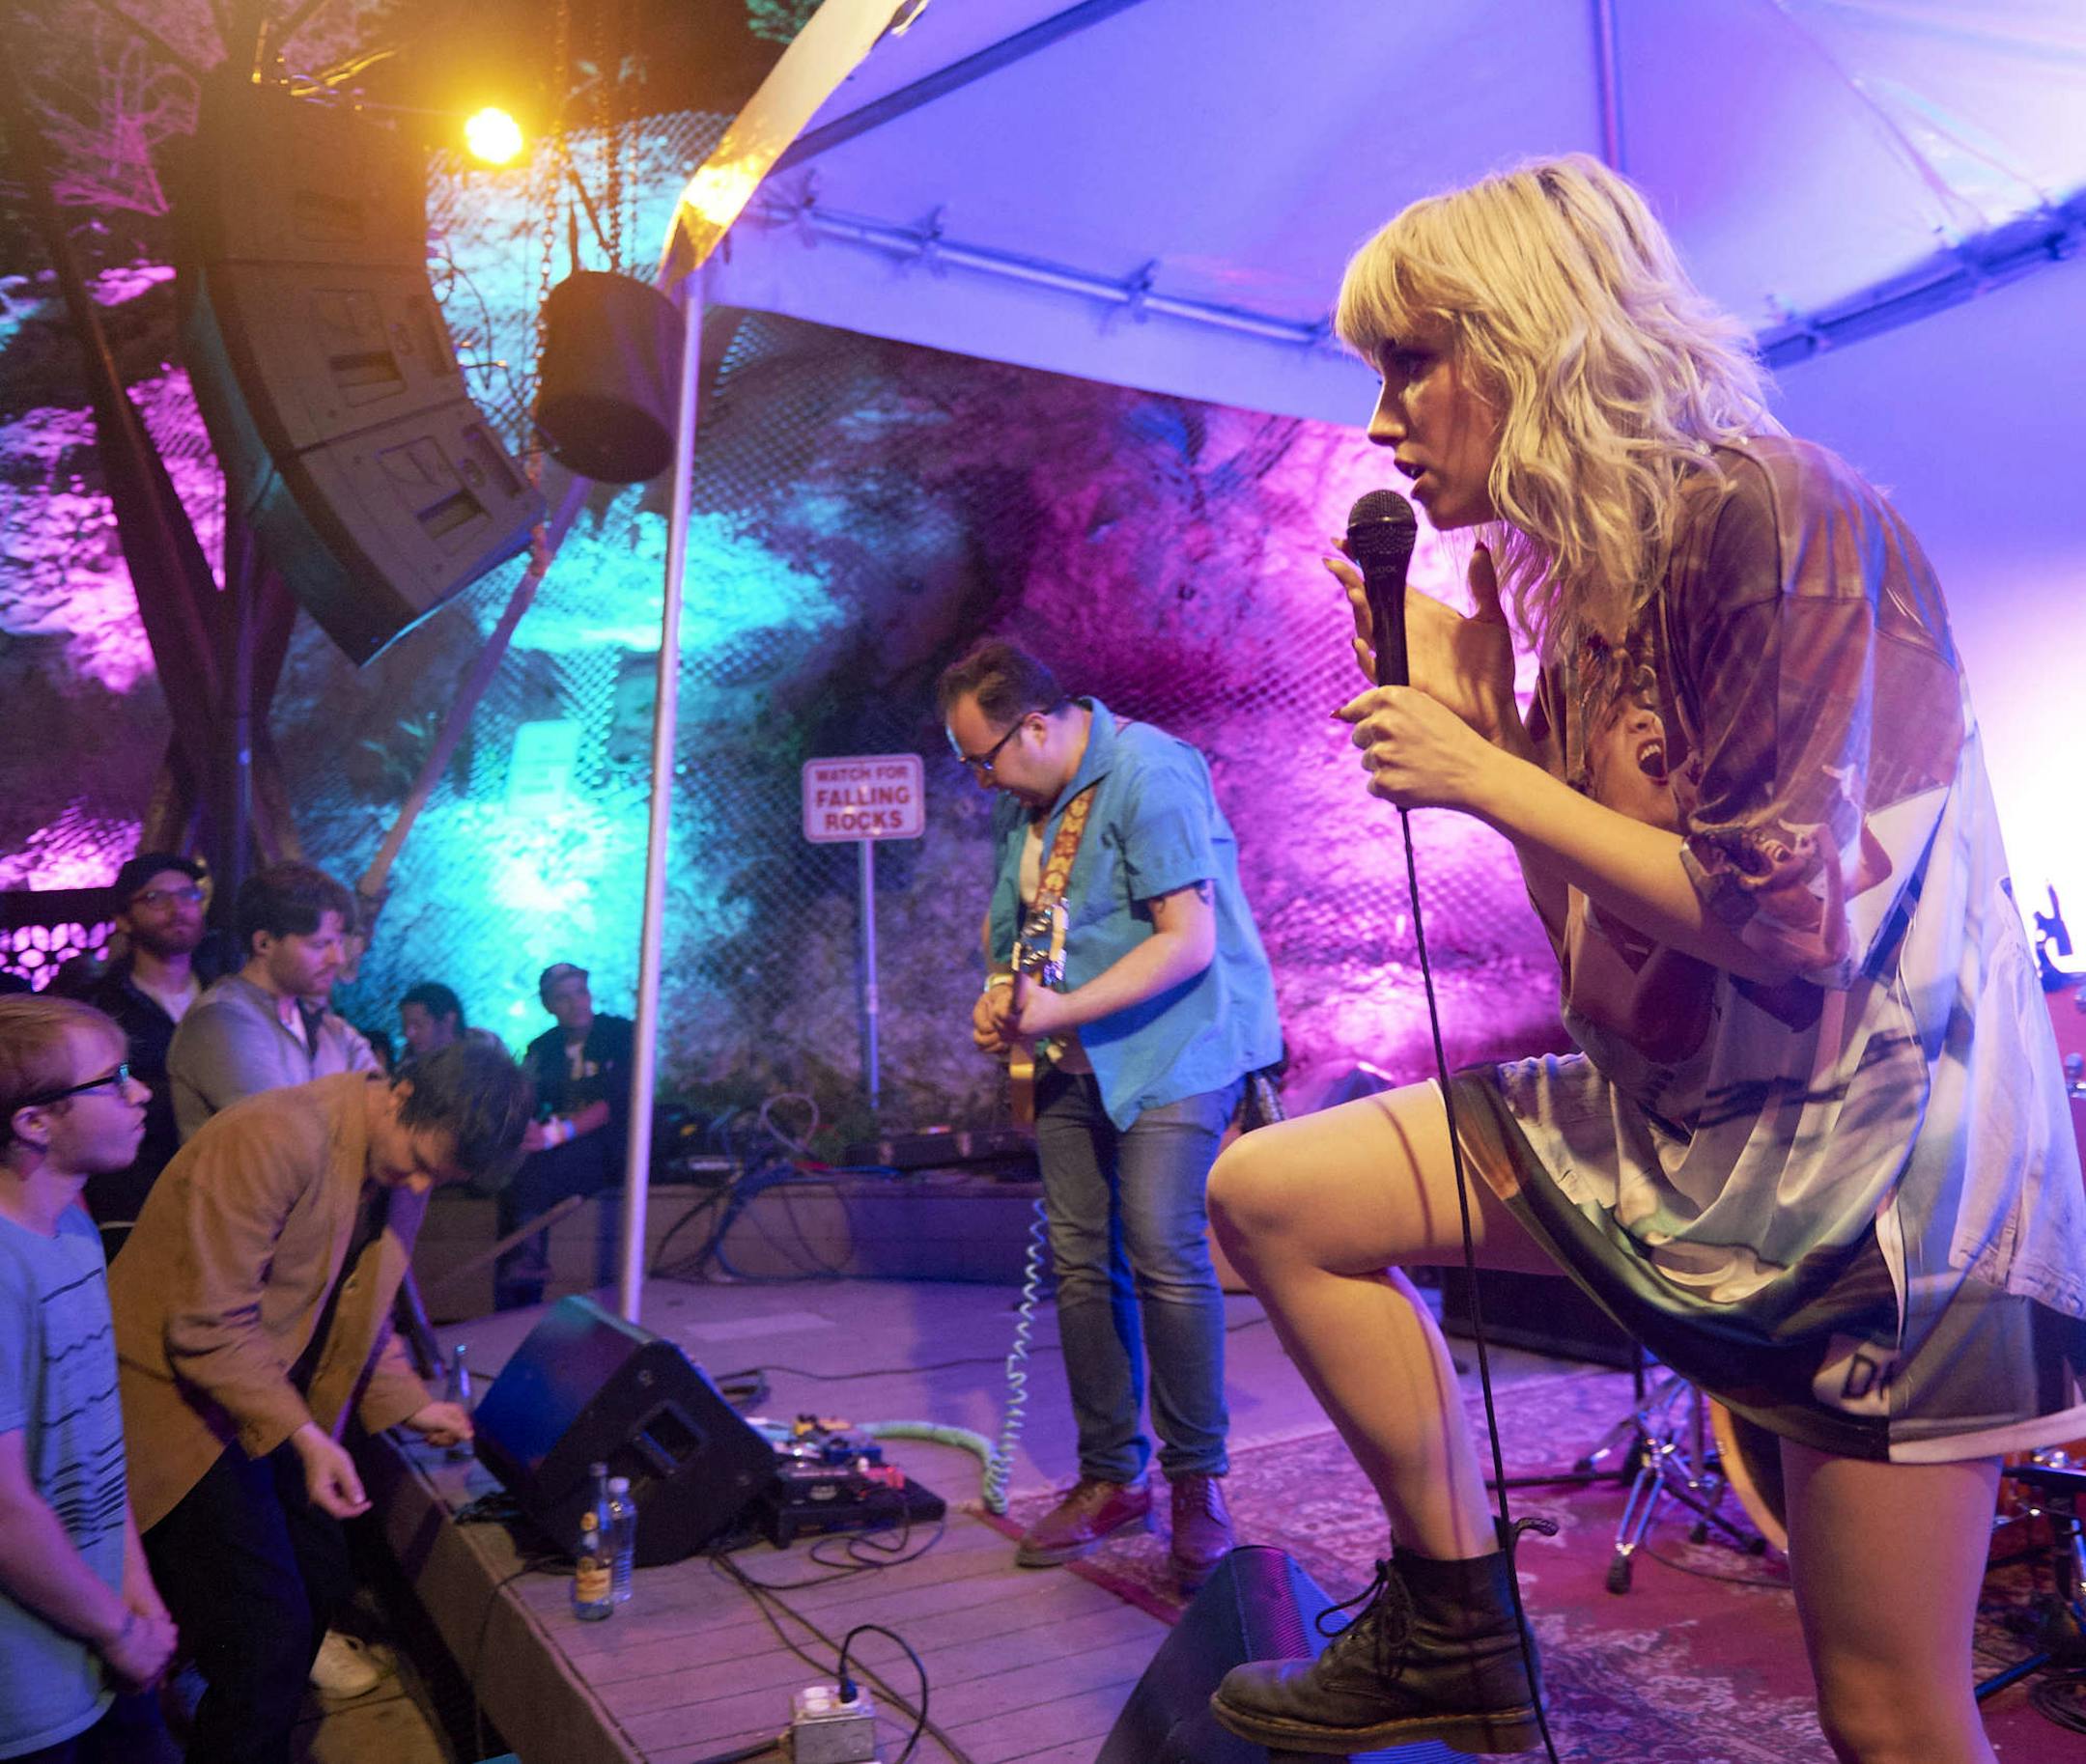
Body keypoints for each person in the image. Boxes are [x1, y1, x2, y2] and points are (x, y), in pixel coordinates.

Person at [1202, 155, 2086, 1764]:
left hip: (1889, 1184)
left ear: (1531, 341)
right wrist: (1501, 743)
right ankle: (1453, 1627)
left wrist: (1489, 770)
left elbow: (1794, 919)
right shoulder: (1589, 597)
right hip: (1703, 1127)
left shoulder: (1777, 507)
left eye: (1412, 361)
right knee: (1274, 1194)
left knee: (1888, 1712)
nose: (1383, 419)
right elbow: (1619, 978)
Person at [940, 642, 1283, 1589]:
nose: (980, 781)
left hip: (1175, 1048)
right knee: (1085, 1264)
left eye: (984, 758)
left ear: (1037, 725)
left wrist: (1060, 1010)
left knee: (1164, 1248)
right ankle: (1109, 1477)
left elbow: (1188, 942)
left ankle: (1196, 1482)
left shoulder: (1149, 771)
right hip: (1068, 1056)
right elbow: (1023, 934)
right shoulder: (1034, 802)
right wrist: (1001, 995)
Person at [107, 1041, 531, 1764]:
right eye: (421, 1161)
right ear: (398, 1093)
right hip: (174, 1405)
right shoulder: (276, 1134)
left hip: (259, 1397)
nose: (424, 1181)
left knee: (322, 1575)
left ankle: (224, 1699)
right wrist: (305, 1436)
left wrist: (407, 1403)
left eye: (442, 1175)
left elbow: (367, 1302)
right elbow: (205, 1325)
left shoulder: (404, 1156)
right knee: (266, 1632)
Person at [0, 996, 179, 1763]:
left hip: (99, 1636)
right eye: (114, 1081)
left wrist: (133, 1589)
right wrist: (114, 1625)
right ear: (36, 1121)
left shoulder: (72, 1225)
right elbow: (5, 1512)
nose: (140, 1094)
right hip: (25, 1688)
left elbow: (93, 1441)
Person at [166, 862, 376, 1144]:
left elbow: (383, 1109)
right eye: (319, 945)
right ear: (264, 943)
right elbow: (284, 1139)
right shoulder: (221, 1021)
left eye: (338, 943)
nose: (336, 959)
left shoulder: (329, 1028)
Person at [64, 854, 220, 1231]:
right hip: (137, 1202)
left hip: (224, 1188)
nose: (177, 909)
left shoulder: (228, 996)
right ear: (122, 919)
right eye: (155, 898)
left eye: (187, 895)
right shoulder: (100, 1008)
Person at [495, 964, 634, 1311]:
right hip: (556, 1143)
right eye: (563, 997)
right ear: (548, 1006)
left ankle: (526, 1268)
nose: (576, 1004)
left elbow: (616, 1103)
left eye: (581, 993)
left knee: (538, 1171)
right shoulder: (543, 1049)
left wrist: (557, 1133)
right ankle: (518, 1285)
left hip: (609, 1145)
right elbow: (527, 1098)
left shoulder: (620, 1034)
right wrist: (527, 1129)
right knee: (516, 1172)